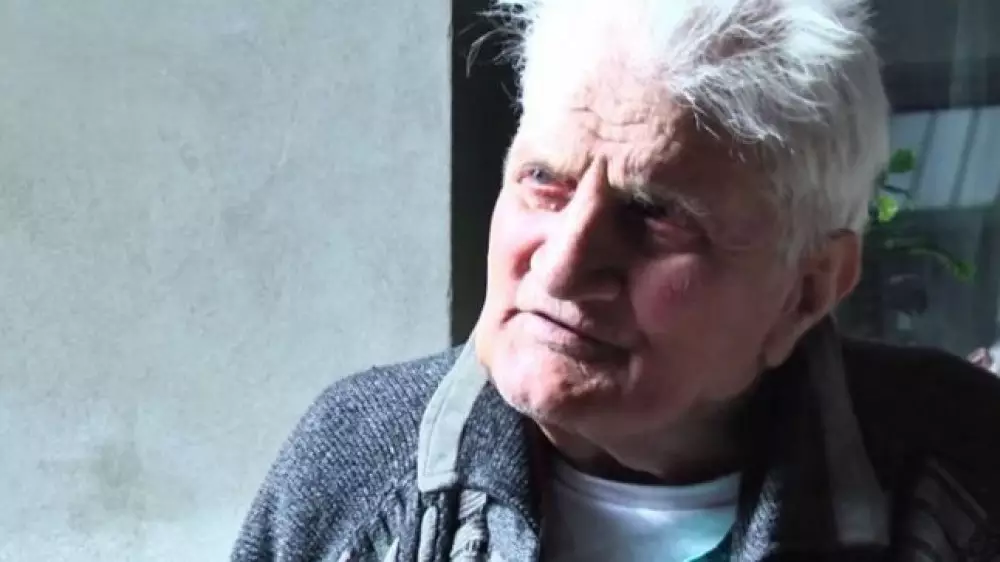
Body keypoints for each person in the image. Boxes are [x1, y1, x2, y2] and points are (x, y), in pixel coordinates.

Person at [231, 0, 1000, 560]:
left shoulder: (965, 470)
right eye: (543, 181)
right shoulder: (355, 458)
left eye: (655, 215)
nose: (562, 265)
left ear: (808, 289)